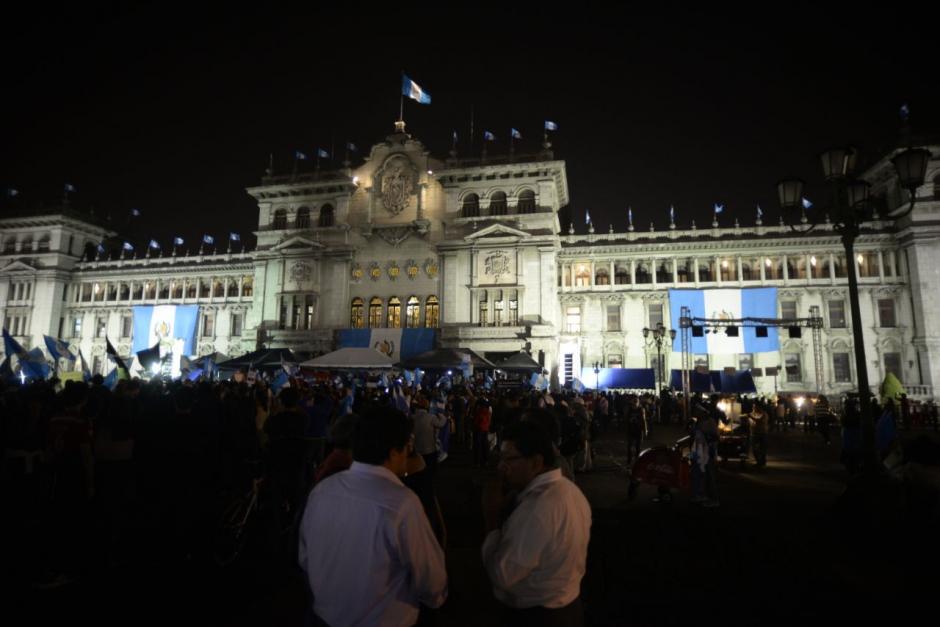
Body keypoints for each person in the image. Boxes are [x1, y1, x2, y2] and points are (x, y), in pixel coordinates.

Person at [299, 406, 447, 627]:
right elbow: (431, 581)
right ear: (394, 450)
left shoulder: (323, 489)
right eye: (407, 446)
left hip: (323, 617)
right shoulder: (401, 503)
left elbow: (305, 557)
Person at [481, 420, 591, 626]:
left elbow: (502, 575)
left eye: (509, 459)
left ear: (535, 462)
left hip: (539, 615)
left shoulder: (537, 508)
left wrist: (491, 517)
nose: (501, 467)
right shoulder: (569, 491)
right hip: (565, 606)